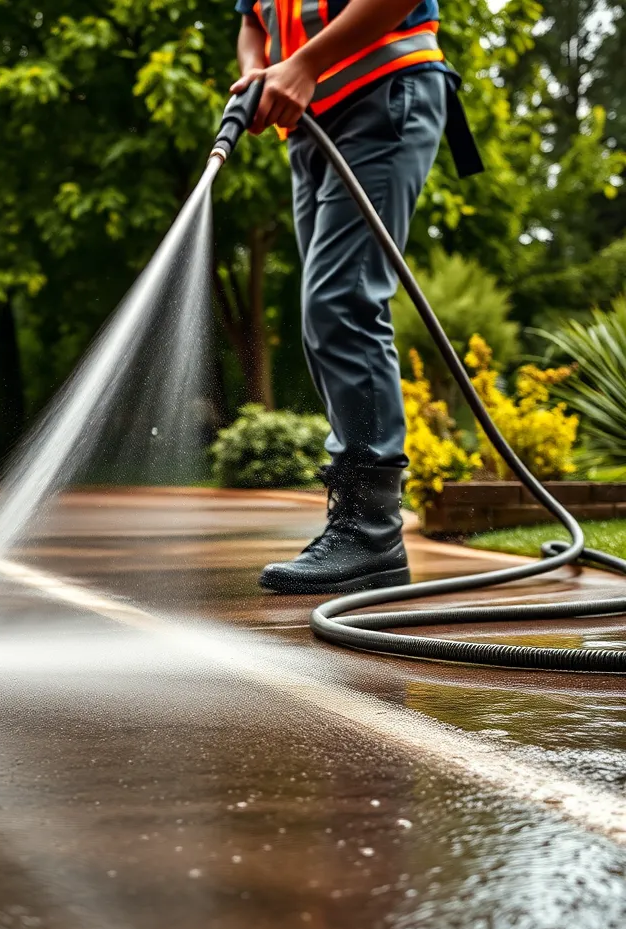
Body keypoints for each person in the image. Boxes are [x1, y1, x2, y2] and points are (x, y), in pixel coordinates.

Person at [231, 0, 481, 595]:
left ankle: (370, 531)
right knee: (323, 313)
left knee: (340, 301)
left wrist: (306, 62)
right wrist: (257, 74)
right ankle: (363, 527)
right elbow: (251, 19)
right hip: (312, 124)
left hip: (385, 93)